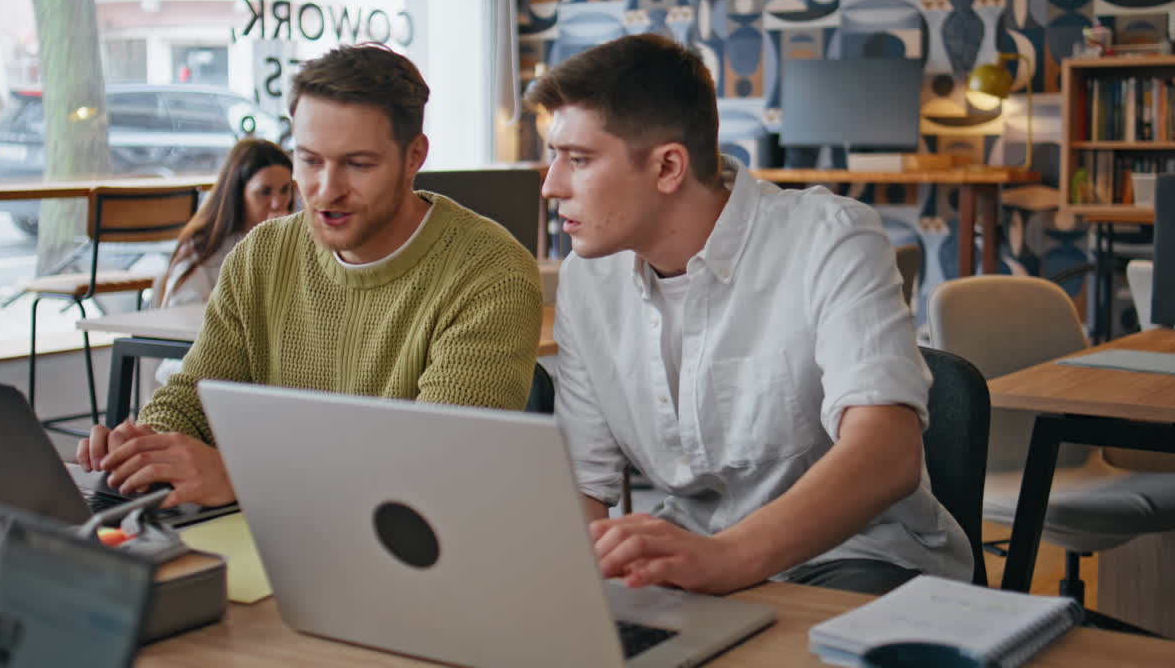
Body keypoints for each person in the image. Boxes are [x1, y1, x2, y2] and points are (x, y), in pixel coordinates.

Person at [526, 33, 972, 596]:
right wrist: (587, 598)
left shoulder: (830, 238)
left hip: (852, 557)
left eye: (578, 160)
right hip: (688, 558)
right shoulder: (588, 281)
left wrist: (727, 559)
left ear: (668, 167)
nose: (551, 185)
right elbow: (582, 486)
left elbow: (888, 454)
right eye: (553, 157)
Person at [78, 43, 544, 508]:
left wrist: (243, 476)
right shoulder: (261, 254)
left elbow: (438, 467)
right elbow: (195, 397)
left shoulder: (491, 275)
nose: (326, 190)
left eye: (358, 165)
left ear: (414, 157)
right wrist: (147, 447)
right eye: (310, 160)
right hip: (271, 529)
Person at [151, 138, 294, 386]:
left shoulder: (295, 240)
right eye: (264, 192)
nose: (277, 202)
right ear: (238, 193)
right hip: (206, 360)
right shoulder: (204, 246)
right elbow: (187, 314)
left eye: (285, 190)